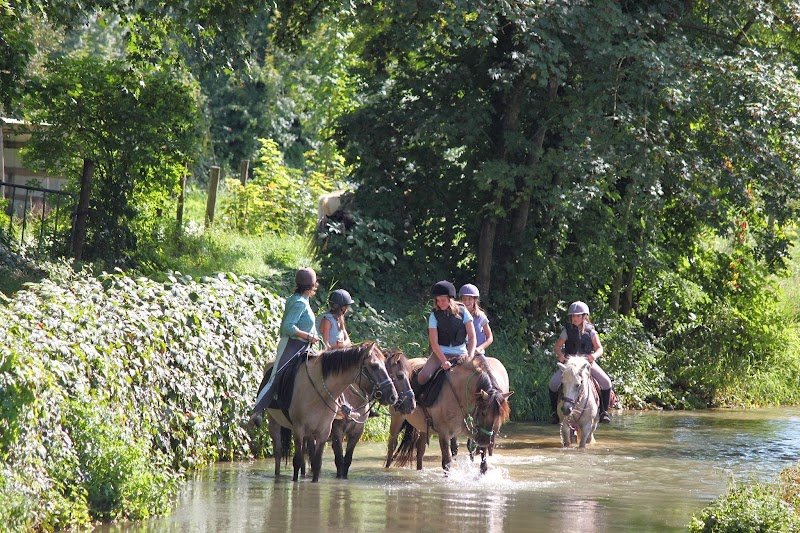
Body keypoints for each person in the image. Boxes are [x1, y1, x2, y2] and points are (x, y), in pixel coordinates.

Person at [249, 267, 320, 425]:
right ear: (312, 285)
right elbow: (288, 327)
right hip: (292, 345)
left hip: (305, 346)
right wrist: (308, 336)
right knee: (276, 376)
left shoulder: (301, 299)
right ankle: (257, 411)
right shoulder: (299, 303)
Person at [549, 301, 613, 424]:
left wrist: (593, 356)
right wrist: (561, 356)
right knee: (553, 383)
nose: (575, 318)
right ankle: (554, 413)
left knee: (606, 382)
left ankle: (603, 412)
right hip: (570, 364)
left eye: (578, 316)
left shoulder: (591, 331)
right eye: (573, 316)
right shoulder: (566, 331)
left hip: (586, 363)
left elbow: (600, 348)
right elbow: (557, 347)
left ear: (584, 316)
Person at [417, 280, 476, 386]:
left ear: (450, 299)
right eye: (437, 301)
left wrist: (470, 357)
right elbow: (434, 342)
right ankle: (415, 400)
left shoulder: (463, 312)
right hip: (440, 353)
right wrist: (443, 361)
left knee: (479, 378)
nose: (440, 303)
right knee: (422, 377)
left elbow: (472, 337)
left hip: (461, 354)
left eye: (443, 300)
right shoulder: (434, 316)